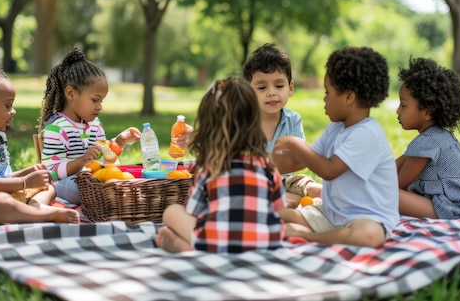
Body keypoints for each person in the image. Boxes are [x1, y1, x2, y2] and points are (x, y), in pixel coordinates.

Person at [272, 46, 399, 248]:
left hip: (367, 218)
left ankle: (307, 236)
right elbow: (308, 158)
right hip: (332, 213)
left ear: (348, 97)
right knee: (278, 215)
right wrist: (269, 162)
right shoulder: (336, 128)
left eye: (327, 92)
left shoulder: (367, 133)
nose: (324, 98)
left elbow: (329, 170)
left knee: (369, 236)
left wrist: (294, 143)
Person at [155, 76, 286, 253]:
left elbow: (193, 211)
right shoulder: (268, 167)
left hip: (215, 242)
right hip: (266, 243)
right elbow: (279, 210)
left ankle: (187, 248)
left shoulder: (209, 168)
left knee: (172, 211)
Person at [0, 63, 80, 225]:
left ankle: (34, 207)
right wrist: (25, 182)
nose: (13, 111)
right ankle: (44, 216)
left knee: (49, 187)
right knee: (2, 203)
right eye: (8, 105)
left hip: (5, 193)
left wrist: (28, 172)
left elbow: (0, 178)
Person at [37, 48, 141, 205]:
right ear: (71, 94)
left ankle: (112, 198)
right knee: (94, 188)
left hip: (93, 179)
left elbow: (103, 155)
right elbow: (51, 172)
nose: (100, 107)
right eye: (95, 100)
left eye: (101, 101)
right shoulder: (57, 129)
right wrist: (80, 162)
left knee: (118, 179)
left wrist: (120, 141)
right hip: (65, 184)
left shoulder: (95, 124)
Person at [395, 57, 460, 218]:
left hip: (456, 209)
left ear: (426, 112)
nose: (397, 111)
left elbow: (396, 183)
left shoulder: (427, 142)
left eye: (403, 105)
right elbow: (391, 168)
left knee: (385, 194)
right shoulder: (437, 136)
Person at [242, 43, 308, 208]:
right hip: (252, 181)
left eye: (279, 86)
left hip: (285, 180)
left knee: (311, 187)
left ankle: (280, 202)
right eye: (262, 87)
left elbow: (300, 158)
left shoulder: (293, 120)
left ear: (290, 88)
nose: (272, 92)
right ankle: (278, 203)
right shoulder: (243, 121)